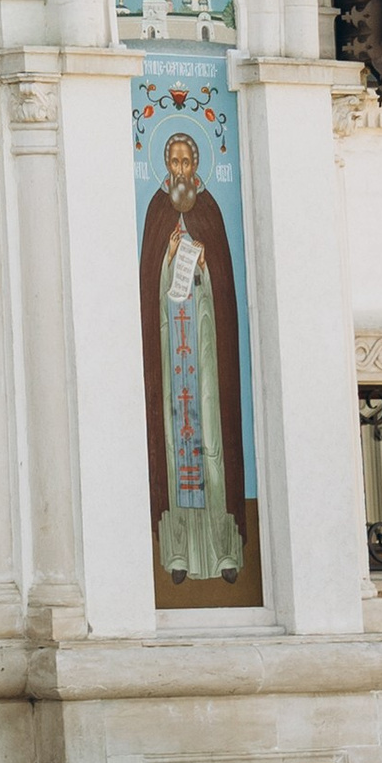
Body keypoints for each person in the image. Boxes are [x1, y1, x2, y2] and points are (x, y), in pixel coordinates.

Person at [139, 127, 247, 586]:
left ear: (197, 166)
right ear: (166, 167)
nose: (180, 171)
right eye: (174, 163)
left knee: (212, 444)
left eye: (187, 162)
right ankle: (180, 550)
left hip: (205, 354)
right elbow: (148, 284)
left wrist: (204, 268)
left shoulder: (211, 212)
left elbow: (224, 289)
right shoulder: (158, 212)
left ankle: (223, 551)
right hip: (170, 354)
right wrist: (166, 259)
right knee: (173, 441)